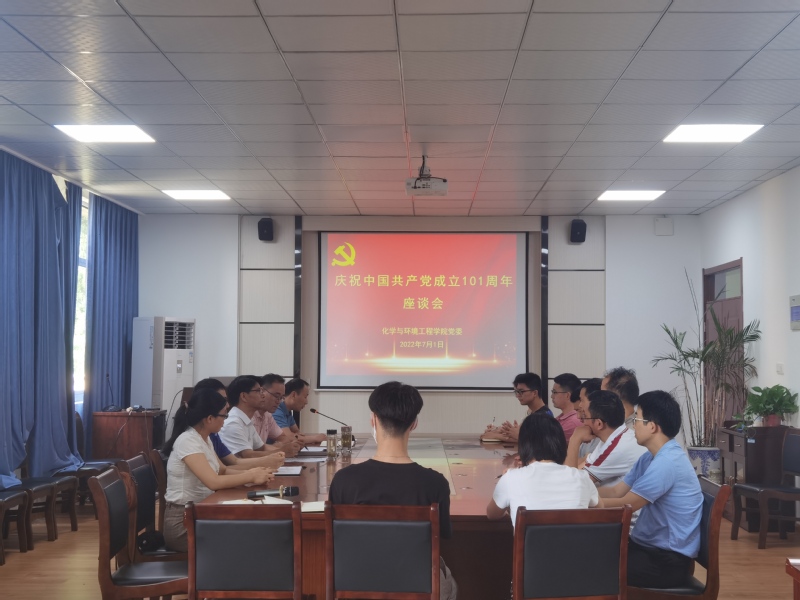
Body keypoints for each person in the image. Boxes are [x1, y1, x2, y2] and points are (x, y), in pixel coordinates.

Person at [329, 381, 457, 599]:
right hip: (417, 589)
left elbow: (336, 537)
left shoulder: (344, 480)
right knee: (451, 585)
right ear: (414, 423)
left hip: (357, 586)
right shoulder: (435, 483)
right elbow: (444, 534)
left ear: (373, 420)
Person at [599, 390, 703, 589]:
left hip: (666, 561)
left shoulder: (667, 463)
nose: (632, 426)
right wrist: (580, 491)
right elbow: (616, 492)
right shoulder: (650, 457)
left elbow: (626, 504)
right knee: (592, 552)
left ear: (652, 426)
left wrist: (587, 502)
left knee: (594, 564)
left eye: (636, 420)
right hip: (647, 550)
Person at [161, 387, 273, 551]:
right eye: (224, 415)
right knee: (247, 536)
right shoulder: (188, 441)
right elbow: (213, 482)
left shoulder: (204, 439)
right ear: (209, 418)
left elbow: (223, 470)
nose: (225, 420)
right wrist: (250, 476)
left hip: (201, 513)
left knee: (251, 528)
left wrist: (255, 473)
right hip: (183, 524)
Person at [487, 413, 599, 528]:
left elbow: (492, 514)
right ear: (560, 444)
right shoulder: (582, 478)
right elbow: (600, 509)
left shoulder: (511, 478)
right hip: (576, 540)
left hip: (531, 541)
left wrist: (509, 496)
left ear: (524, 446)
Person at [193, 378, 285, 470]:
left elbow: (230, 464)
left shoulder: (212, 436)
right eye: (258, 391)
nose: (227, 405)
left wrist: (263, 466)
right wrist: (266, 462)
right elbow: (216, 477)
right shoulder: (231, 423)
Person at [565, 390, 646, 488]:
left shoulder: (617, 447)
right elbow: (579, 470)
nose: (582, 422)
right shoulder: (615, 436)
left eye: (585, 416)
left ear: (599, 424)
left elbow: (572, 483)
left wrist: (575, 439)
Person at [219, 375, 293, 459]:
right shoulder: (233, 423)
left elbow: (262, 447)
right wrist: (281, 451)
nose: (263, 395)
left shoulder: (247, 420)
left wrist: (286, 450)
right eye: (258, 391)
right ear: (244, 396)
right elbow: (248, 455)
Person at [483, 372, 551, 442]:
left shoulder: (544, 417)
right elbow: (523, 435)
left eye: (521, 391)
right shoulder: (532, 412)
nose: (518, 395)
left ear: (534, 393)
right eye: (516, 392)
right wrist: (499, 430)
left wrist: (495, 436)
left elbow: (533, 441)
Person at [252, 373, 304, 456]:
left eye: (281, 398)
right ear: (262, 391)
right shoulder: (249, 415)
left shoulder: (267, 415)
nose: (279, 401)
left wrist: (288, 446)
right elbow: (250, 452)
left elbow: (284, 438)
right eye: (276, 396)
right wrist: (278, 448)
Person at [272, 377, 327, 444]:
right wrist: (315, 438)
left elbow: (297, 432)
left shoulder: (287, 410)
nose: (306, 402)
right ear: (294, 395)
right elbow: (288, 437)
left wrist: (298, 436)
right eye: (305, 397)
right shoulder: (276, 411)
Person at [551, 372, 582, 442]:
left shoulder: (572, 422)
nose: (552, 396)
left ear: (567, 395)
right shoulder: (561, 417)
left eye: (555, 392)